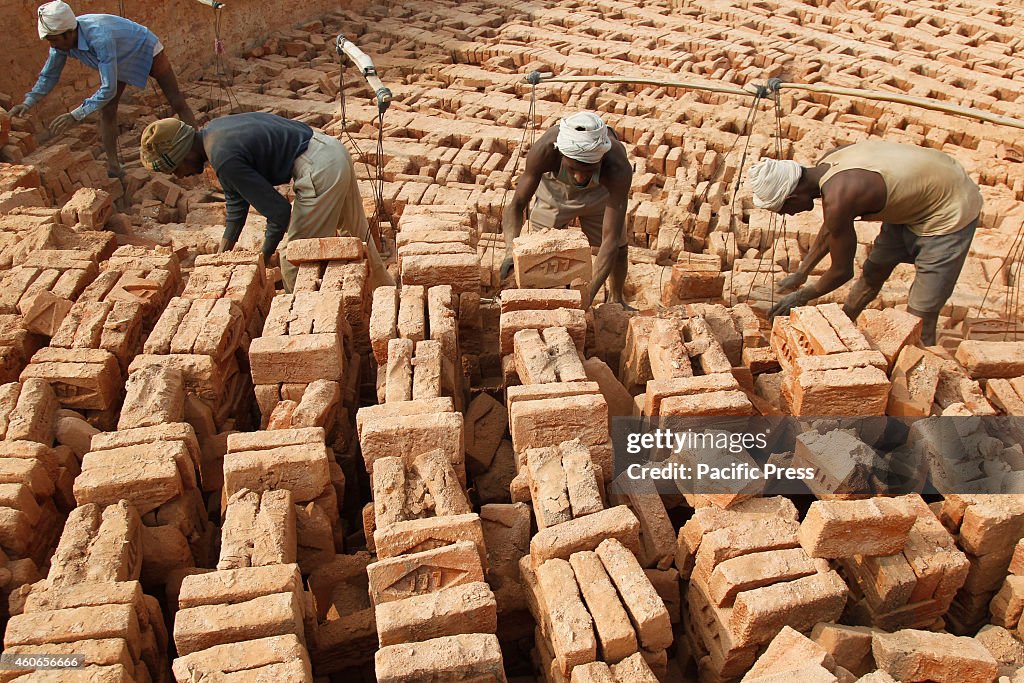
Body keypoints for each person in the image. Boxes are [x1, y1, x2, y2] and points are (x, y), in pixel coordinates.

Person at [748, 140, 983, 345]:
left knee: (920, 313)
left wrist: (801, 296)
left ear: (793, 196)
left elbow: (841, 272)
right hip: (916, 195)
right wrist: (802, 272)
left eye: (783, 210)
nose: (786, 216)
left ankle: (919, 375)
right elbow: (832, 228)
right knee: (873, 270)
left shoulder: (841, 197)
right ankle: (844, 326)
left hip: (949, 208)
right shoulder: (828, 164)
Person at [138, 113, 394, 292]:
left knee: (294, 262)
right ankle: (387, 295)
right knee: (356, 235)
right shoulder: (215, 133)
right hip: (330, 149)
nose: (179, 176)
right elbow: (236, 202)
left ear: (183, 153)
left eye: (175, 168)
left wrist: (264, 256)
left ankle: (304, 328)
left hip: (319, 170)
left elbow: (280, 213)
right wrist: (221, 255)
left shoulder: (223, 158)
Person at [10, 1, 197, 178]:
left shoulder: (100, 37)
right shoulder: (61, 44)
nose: (52, 45)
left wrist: (75, 115)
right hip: (118, 62)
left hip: (145, 48)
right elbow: (49, 75)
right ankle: (114, 167)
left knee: (176, 101)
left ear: (68, 33)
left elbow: (108, 88)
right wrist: (28, 102)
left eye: (54, 40)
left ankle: (198, 149)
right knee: (107, 111)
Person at [501, 111, 633, 307]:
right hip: (555, 191)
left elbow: (610, 240)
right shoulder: (545, 151)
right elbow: (517, 204)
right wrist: (510, 251)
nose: (580, 177)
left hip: (600, 193)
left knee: (620, 248)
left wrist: (586, 296)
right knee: (537, 252)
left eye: (587, 170)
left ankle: (616, 300)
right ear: (561, 154)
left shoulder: (617, 168)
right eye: (573, 169)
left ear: (601, 159)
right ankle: (542, 300)